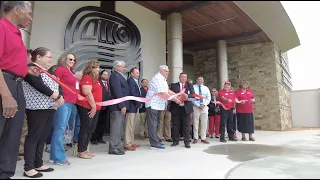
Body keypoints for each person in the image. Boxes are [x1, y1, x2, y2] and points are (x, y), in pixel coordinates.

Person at [0, 1, 33, 179]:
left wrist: (26, 69)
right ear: (16, 10)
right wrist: (5, 94)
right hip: (5, 84)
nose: (30, 18)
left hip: (18, 84)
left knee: (13, 135)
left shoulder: (17, 33)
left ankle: (5, 174)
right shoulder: (2, 28)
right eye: (29, 13)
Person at [22, 47, 64, 178]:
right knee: (33, 136)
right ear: (38, 57)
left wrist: (60, 97)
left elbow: (58, 85)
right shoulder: (31, 69)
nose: (50, 60)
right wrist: (55, 96)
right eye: (48, 57)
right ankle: (28, 167)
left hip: (49, 107)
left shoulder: (47, 72)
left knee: (42, 137)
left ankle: (38, 163)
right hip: (36, 108)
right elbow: (38, 85)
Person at [50, 52, 78, 165]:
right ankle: (59, 157)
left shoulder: (71, 72)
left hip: (70, 103)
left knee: (61, 129)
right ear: (64, 59)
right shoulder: (61, 69)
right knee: (60, 129)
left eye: (74, 60)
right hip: (63, 102)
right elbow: (53, 83)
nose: (72, 61)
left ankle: (54, 156)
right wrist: (58, 98)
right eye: (70, 59)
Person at [145, 65, 181, 150]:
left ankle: (156, 140)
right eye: (166, 71)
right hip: (152, 104)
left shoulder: (163, 80)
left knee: (157, 124)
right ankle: (154, 144)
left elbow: (167, 90)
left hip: (158, 105)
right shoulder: (157, 78)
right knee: (153, 124)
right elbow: (162, 92)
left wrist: (177, 95)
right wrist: (175, 99)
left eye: (168, 71)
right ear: (161, 71)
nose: (167, 73)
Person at [77, 60, 102, 159]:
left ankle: (85, 149)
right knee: (85, 128)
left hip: (95, 108)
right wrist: (94, 106)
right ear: (92, 68)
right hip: (87, 107)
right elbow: (87, 93)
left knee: (90, 129)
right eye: (97, 68)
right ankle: (81, 151)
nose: (99, 69)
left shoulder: (96, 79)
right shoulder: (87, 77)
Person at [108, 60, 130, 155]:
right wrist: (122, 105)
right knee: (115, 127)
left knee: (119, 128)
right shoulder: (115, 76)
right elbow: (118, 91)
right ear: (116, 67)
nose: (124, 68)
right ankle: (113, 147)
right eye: (122, 66)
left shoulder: (119, 75)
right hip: (117, 106)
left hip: (120, 105)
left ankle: (117, 145)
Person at [169, 72, 195, 148]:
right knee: (175, 125)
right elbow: (171, 95)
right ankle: (175, 141)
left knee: (187, 126)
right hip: (176, 108)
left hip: (186, 108)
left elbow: (193, 95)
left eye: (185, 77)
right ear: (179, 77)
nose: (183, 78)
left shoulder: (189, 85)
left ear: (186, 78)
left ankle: (187, 142)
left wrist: (187, 95)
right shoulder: (174, 85)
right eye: (182, 77)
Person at [18, 49, 34, 161]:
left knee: (24, 128)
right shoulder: (20, 70)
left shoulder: (29, 70)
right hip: (18, 100)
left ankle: (20, 150)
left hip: (25, 103)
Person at [90, 70, 110, 145]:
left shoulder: (108, 84)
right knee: (96, 122)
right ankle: (93, 138)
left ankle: (100, 138)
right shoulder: (97, 83)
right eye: (104, 74)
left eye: (107, 75)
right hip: (98, 106)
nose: (106, 76)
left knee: (103, 123)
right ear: (101, 75)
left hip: (106, 106)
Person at [124, 67, 142, 151]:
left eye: (138, 73)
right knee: (129, 125)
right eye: (136, 73)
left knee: (133, 125)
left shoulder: (136, 81)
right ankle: (127, 143)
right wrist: (139, 102)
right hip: (131, 105)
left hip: (134, 106)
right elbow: (133, 93)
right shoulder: (130, 81)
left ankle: (131, 141)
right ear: (131, 73)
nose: (138, 74)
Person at [192, 76, 211, 144]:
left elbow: (208, 97)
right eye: (199, 79)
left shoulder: (206, 88)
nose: (200, 81)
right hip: (196, 106)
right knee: (195, 122)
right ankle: (196, 137)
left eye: (201, 80)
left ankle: (203, 138)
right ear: (196, 80)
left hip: (204, 107)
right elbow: (192, 97)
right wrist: (198, 105)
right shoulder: (193, 87)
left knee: (204, 122)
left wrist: (204, 104)